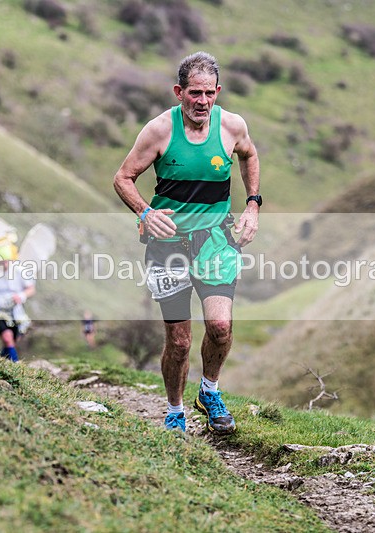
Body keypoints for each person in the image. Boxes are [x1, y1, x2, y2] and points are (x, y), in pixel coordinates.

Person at [113, 51, 261, 434]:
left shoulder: (231, 126)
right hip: (169, 246)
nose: (202, 101)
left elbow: (249, 155)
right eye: (194, 93)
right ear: (179, 92)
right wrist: (146, 213)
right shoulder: (159, 130)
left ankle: (209, 392)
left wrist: (252, 204)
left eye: (209, 93)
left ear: (218, 92)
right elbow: (123, 178)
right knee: (178, 341)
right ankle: (175, 411)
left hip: (215, 241)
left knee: (221, 327)